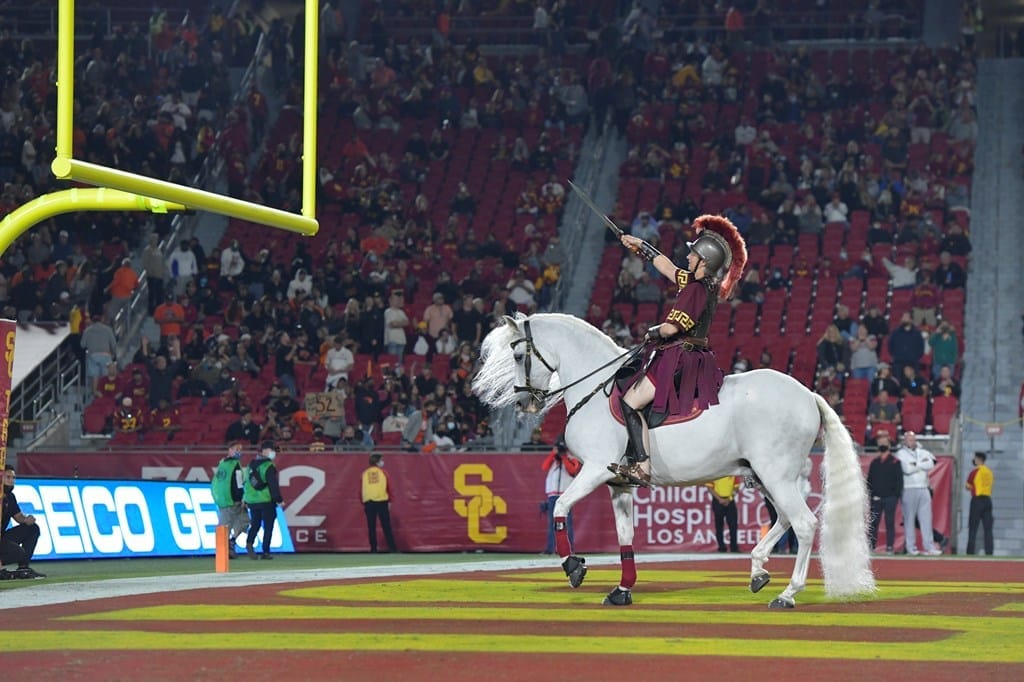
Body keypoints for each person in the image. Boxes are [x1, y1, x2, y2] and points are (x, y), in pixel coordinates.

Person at [610, 216, 747, 486]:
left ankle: (641, 467)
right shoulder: (703, 283)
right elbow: (668, 267)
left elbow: (672, 329)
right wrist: (639, 245)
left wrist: (653, 331)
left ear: (703, 262)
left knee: (630, 402)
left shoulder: (696, 289)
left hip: (680, 357)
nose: (687, 256)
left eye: (693, 254)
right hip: (691, 354)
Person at [896, 431, 941, 556]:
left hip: (924, 487)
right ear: (904, 440)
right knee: (909, 519)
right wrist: (922, 464)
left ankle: (929, 546)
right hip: (909, 488)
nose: (912, 441)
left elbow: (931, 463)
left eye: (913, 439)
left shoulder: (924, 451)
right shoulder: (901, 453)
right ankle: (911, 547)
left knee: (926, 519)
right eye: (909, 439)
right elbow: (907, 469)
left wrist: (916, 464)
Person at [0, 466, 46, 579]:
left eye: (13, 478)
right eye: (8, 477)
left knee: (32, 528)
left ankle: (23, 568)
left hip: (2, 537)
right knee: (18, 552)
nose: (12, 480)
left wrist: (26, 519)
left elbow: (18, 516)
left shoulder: (10, 497)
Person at [243, 440, 284, 559]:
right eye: (272, 451)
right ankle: (265, 551)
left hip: (252, 500)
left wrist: (245, 498)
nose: (273, 453)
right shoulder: (268, 466)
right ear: (265, 451)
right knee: (268, 526)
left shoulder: (250, 465)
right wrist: (278, 499)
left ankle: (249, 543)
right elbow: (273, 484)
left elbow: (245, 482)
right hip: (266, 500)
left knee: (255, 524)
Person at [541, 438, 581, 555]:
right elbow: (544, 467)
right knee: (552, 523)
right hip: (553, 495)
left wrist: (564, 457)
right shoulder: (554, 458)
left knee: (566, 523)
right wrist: (553, 453)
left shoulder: (572, 458)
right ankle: (551, 548)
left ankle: (569, 549)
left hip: (565, 495)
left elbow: (573, 471)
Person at [211, 443, 249, 559]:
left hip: (223, 499)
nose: (239, 452)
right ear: (230, 450)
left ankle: (229, 544)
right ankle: (223, 550)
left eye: (240, 449)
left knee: (243, 522)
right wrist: (242, 498)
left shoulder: (223, 463)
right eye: (236, 449)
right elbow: (238, 484)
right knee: (226, 525)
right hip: (231, 500)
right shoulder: (235, 465)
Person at [866, 441, 903, 554]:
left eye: (884, 442)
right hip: (876, 498)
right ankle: (871, 547)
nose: (882, 444)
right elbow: (870, 480)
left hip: (890, 498)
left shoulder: (895, 462)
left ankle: (890, 547)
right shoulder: (875, 462)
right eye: (880, 442)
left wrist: (895, 495)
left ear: (889, 446)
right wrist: (871, 495)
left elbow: (899, 481)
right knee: (873, 523)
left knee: (889, 522)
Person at [361, 453, 397, 553]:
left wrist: (363, 501)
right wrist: (391, 500)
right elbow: (389, 487)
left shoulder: (364, 473)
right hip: (382, 501)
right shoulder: (383, 473)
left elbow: (360, 489)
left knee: (371, 527)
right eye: (381, 460)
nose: (383, 462)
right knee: (386, 526)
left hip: (369, 502)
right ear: (377, 462)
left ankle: (373, 549)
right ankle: (392, 548)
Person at [965, 452, 994, 555]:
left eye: (975, 459)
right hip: (987, 500)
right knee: (988, 529)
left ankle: (970, 552)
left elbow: (967, 486)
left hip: (977, 500)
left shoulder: (975, 472)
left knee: (973, 528)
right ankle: (989, 552)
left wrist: (972, 487)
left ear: (978, 459)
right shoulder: (989, 472)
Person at [706, 475, 741, 552]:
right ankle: (721, 547)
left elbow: (736, 487)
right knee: (719, 525)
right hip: (717, 500)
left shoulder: (732, 474)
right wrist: (719, 499)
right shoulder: (715, 474)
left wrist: (729, 498)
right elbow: (709, 487)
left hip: (730, 501)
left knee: (733, 525)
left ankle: (734, 547)